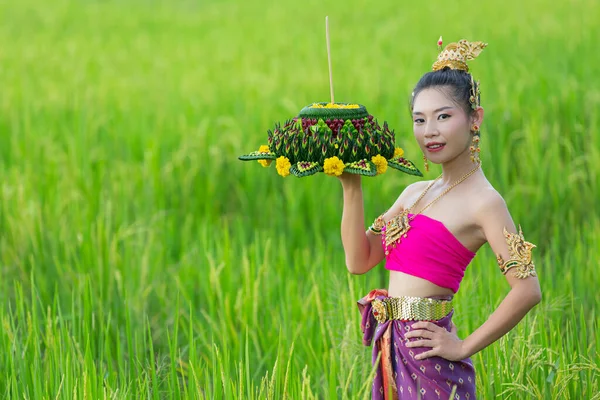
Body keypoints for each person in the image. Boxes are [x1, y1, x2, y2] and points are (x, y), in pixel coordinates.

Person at [337, 39, 542, 399]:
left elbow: (527, 290)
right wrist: (351, 186)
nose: (429, 131)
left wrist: (462, 347)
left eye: (443, 116)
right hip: (391, 350)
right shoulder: (414, 193)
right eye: (420, 119)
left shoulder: (485, 203)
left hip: (431, 360)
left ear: (475, 118)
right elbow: (359, 261)